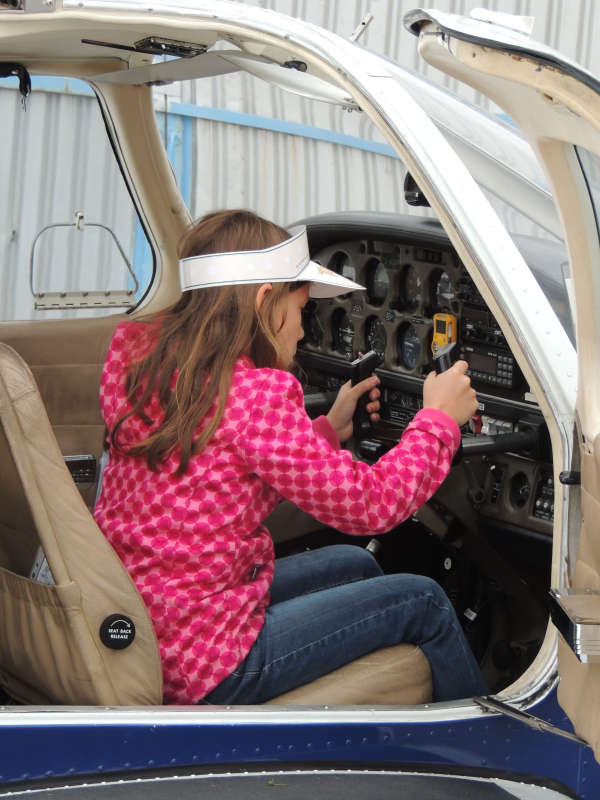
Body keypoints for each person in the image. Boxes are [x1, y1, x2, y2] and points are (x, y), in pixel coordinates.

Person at [94, 209, 488, 705]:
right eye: (301, 310)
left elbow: (215, 464)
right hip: (204, 662)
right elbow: (373, 505)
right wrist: (439, 422)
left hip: (146, 615)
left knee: (354, 563)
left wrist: (325, 430)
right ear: (264, 303)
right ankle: (491, 753)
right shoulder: (256, 395)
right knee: (425, 601)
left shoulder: (136, 358)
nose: (303, 331)